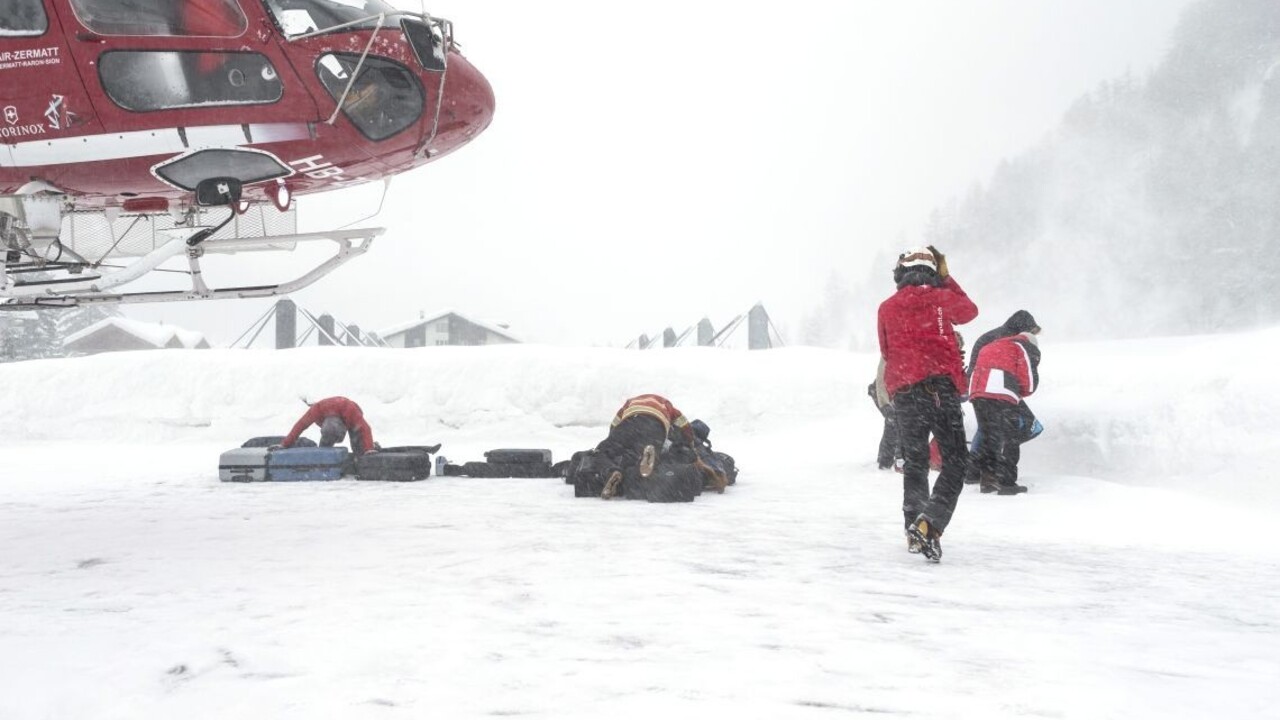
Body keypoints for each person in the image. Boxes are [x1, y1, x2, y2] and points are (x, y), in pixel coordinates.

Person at [877, 245, 978, 562]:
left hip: (906, 393)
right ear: (933, 272)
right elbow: (969, 312)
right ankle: (930, 522)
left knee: (916, 464)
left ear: (900, 273)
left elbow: (886, 349)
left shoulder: (886, 307)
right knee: (955, 461)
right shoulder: (942, 298)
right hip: (940, 391)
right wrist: (947, 280)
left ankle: (913, 527)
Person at [967, 325, 1041, 495]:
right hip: (1001, 391)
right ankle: (1007, 482)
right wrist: (1020, 393)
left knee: (988, 436)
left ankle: (988, 480)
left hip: (977, 392)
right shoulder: (1021, 347)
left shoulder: (991, 345)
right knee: (1010, 436)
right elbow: (1027, 382)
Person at [597, 393, 711, 499]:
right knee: (641, 457)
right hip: (655, 425)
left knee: (605, 451)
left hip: (629, 423)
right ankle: (650, 455)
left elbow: (614, 424)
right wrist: (691, 444)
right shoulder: (667, 405)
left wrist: (613, 441)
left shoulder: (630, 403)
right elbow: (685, 426)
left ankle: (611, 471)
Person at [280, 396, 378, 455]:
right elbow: (299, 426)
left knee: (360, 450)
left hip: (349, 411)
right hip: (333, 417)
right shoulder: (316, 410)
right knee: (325, 448)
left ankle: (370, 449)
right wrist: (284, 444)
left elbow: (365, 429)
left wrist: (369, 449)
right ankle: (324, 459)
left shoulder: (351, 412)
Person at [965, 310, 1041, 377]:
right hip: (986, 378)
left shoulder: (1000, 333)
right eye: (1030, 332)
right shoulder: (1009, 338)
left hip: (977, 377)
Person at [868, 358, 901, 470]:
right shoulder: (892, 352)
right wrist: (885, 403)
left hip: (894, 393)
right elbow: (881, 380)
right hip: (880, 391)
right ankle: (885, 462)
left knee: (897, 421)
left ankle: (887, 457)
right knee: (893, 421)